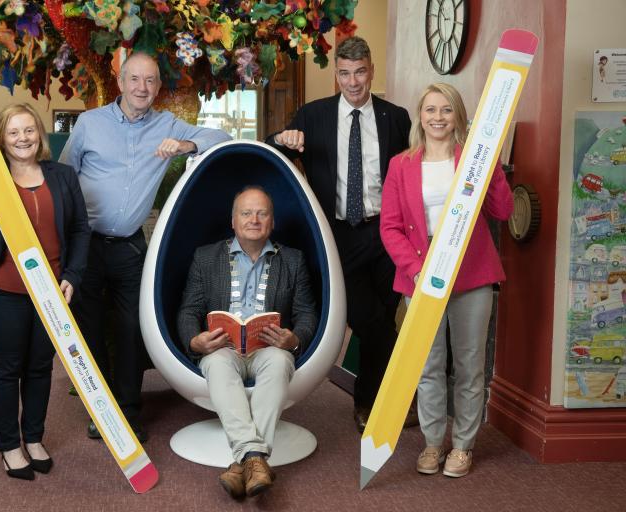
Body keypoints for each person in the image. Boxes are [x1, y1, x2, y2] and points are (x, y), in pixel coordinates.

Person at [60, 52, 231, 442]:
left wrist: (185, 144)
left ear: (157, 86)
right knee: (88, 328)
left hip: (131, 248)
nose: (142, 88)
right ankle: (100, 409)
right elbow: (64, 178)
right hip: (85, 243)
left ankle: (127, 410)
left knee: (131, 329)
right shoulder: (90, 123)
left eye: (150, 81)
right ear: (120, 83)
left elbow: (220, 137)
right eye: (135, 80)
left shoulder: (166, 124)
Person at [266, 36, 412, 432]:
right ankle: (376, 403)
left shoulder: (395, 117)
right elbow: (271, 153)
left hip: (385, 233)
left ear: (371, 71)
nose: (353, 82)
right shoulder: (313, 116)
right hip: (337, 236)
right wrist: (283, 140)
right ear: (336, 74)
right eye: (345, 73)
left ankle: (372, 403)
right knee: (371, 319)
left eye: (360, 72)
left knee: (381, 315)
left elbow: (406, 176)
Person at [379, 83, 513, 478]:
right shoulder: (400, 165)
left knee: (470, 366)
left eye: (446, 110)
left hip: (472, 274)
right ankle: (434, 443)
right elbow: (389, 228)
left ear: (458, 116)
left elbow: (503, 210)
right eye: (430, 110)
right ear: (419, 115)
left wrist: (492, 163)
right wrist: (416, 270)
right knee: (428, 365)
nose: (438, 117)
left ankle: (464, 446)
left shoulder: (472, 159)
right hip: (420, 276)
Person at [0, 103, 91, 480]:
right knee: (6, 368)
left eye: (29, 130)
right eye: (13, 132)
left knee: (40, 367)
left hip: (51, 292)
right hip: (5, 291)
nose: (22, 138)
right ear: (1, 137)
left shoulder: (62, 176)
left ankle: (33, 438)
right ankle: (9, 445)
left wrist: (74, 275)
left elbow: (80, 229)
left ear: (40, 135)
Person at [177, 186, 317, 499]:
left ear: (272, 221)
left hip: (268, 349)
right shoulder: (206, 257)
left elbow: (307, 314)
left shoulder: (293, 260)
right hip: (223, 349)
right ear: (233, 220)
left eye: (262, 213)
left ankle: (244, 461)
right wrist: (195, 340)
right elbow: (188, 310)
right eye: (246, 213)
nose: (254, 219)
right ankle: (256, 459)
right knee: (216, 364)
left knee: (281, 360)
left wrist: (294, 338)